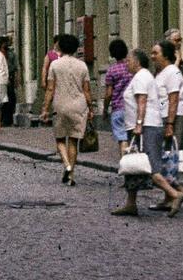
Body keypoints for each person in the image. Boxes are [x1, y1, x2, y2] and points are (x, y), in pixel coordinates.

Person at [112, 46, 183, 218]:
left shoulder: (141, 77)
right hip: (142, 126)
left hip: (146, 127)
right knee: (134, 166)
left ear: (137, 62)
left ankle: (176, 194)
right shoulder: (143, 76)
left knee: (149, 166)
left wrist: (139, 124)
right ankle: (130, 203)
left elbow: (142, 102)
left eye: (129, 61)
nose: (126, 64)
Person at [40, 32, 92, 185]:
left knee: (60, 139)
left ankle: (67, 166)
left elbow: (50, 89)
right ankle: (71, 176)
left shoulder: (55, 65)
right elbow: (87, 90)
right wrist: (91, 108)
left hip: (60, 105)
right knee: (74, 141)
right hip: (79, 106)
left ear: (61, 47)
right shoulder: (82, 65)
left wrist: (45, 108)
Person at [150, 39, 183, 212]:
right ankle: (170, 196)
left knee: (168, 157)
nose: (152, 57)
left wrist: (170, 124)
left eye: (155, 53)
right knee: (165, 159)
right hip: (163, 117)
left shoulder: (172, 72)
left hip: (172, 117)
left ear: (165, 55)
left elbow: (173, 99)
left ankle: (176, 192)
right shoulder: (161, 72)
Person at [103, 38, 133, 153]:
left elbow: (109, 93)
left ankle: (125, 163)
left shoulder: (111, 71)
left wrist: (105, 109)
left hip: (118, 108)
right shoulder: (131, 68)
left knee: (122, 138)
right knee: (133, 137)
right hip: (132, 107)